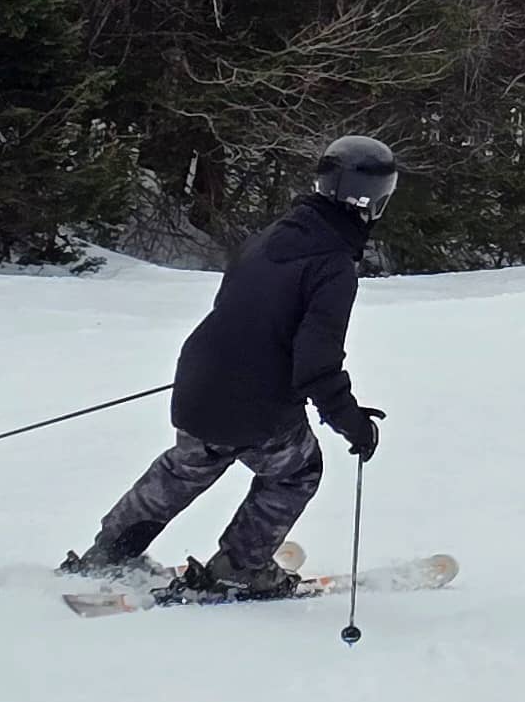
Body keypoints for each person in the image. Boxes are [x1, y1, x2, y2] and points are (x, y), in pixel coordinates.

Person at [62, 134, 398, 597]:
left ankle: (110, 552)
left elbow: (241, 308)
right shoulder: (333, 263)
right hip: (254, 402)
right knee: (296, 470)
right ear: (374, 200)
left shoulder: (275, 234)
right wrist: (352, 423)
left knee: (188, 464)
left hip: (201, 379)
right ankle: (239, 567)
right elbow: (317, 363)